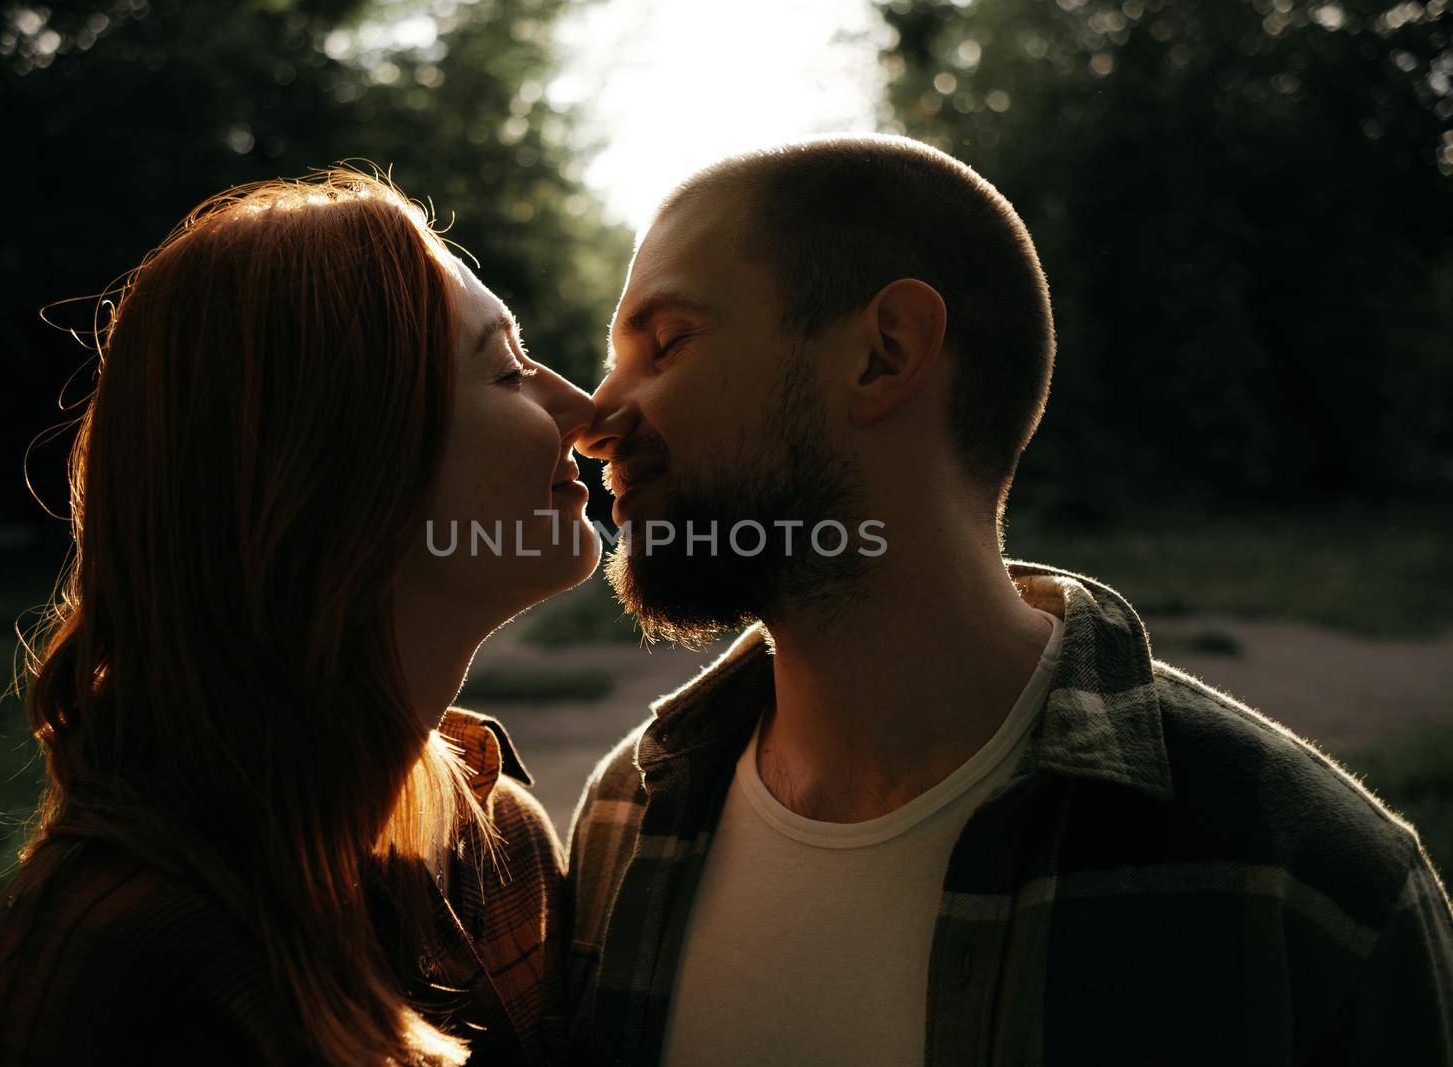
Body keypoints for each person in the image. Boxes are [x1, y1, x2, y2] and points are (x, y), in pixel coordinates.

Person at [566, 134, 1453, 1065]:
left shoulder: (1309, 886)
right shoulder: (627, 818)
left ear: (884, 354)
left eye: (665, 343)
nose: (596, 421)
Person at [0, 168, 598, 1065]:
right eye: (508, 371)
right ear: (343, 469)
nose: (583, 413)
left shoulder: (498, 845)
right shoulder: (125, 966)